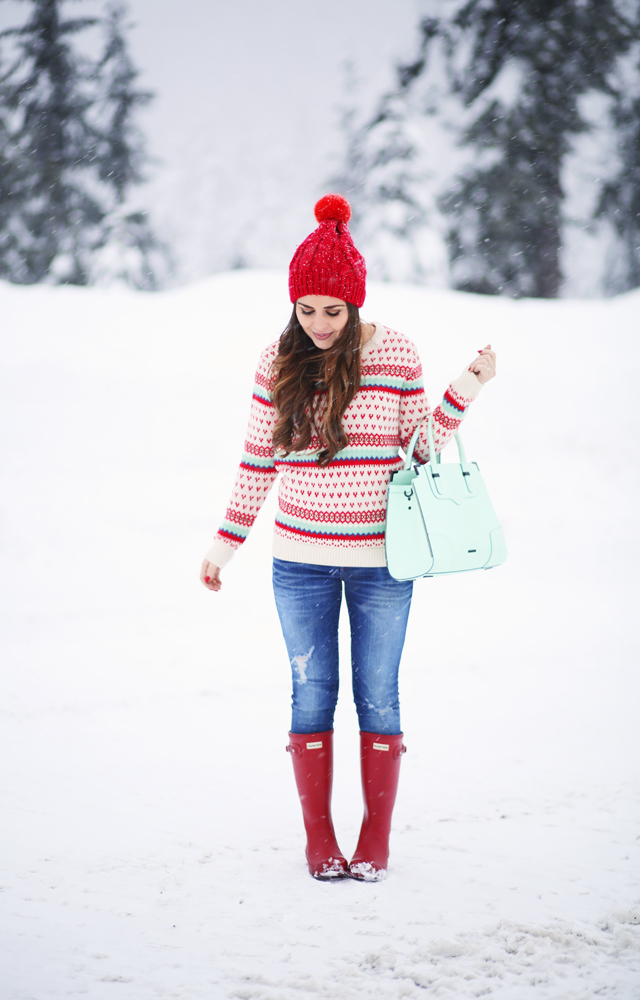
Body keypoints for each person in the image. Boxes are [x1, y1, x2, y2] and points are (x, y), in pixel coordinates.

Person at [200, 194, 496, 882]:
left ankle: (375, 841)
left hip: (381, 564)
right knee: (311, 696)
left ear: (356, 303)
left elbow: (418, 448)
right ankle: (319, 841)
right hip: (298, 562)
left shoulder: (394, 353)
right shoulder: (278, 361)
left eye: (333, 310)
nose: (320, 324)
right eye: (307, 310)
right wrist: (225, 544)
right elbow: (256, 461)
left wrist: (465, 388)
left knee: (379, 695)